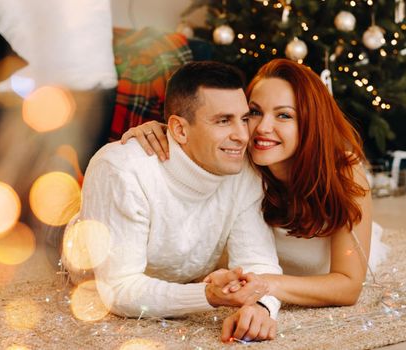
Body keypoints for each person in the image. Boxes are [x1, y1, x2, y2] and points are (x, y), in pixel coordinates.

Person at [121, 58, 389, 309]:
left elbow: (348, 286)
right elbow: (198, 139)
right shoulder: (238, 159)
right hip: (252, 270)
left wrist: (265, 285)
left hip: (315, 276)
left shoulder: (342, 172)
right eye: (254, 112)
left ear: (310, 122)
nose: (262, 128)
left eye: (284, 115)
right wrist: (164, 131)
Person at [67, 61, 284, 342]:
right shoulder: (121, 171)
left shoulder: (244, 171)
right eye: (223, 120)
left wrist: (260, 306)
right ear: (180, 130)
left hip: (178, 270)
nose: (243, 136)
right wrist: (206, 296)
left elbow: (259, 261)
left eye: (244, 118)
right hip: (79, 251)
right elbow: (118, 290)